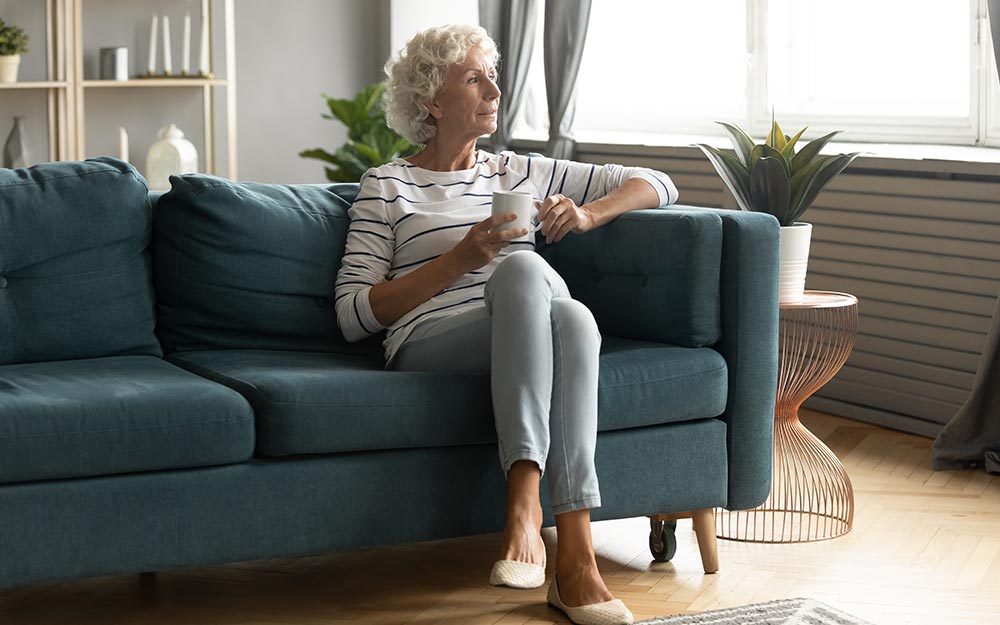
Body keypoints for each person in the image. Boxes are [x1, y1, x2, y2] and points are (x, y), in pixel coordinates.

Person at [334, 24, 677, 625]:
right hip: (431, 340)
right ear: (431, 101)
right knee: (532, 280)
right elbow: (353, 314)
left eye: (493, 76)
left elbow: (659, 183)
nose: (495, 90)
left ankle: (573, 556)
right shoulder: (387, 186)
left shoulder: (517, 171)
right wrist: (460, 260)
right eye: (475, 79)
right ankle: (526, 503)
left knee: (570, 316)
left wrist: (586, 214)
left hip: (526, 328)